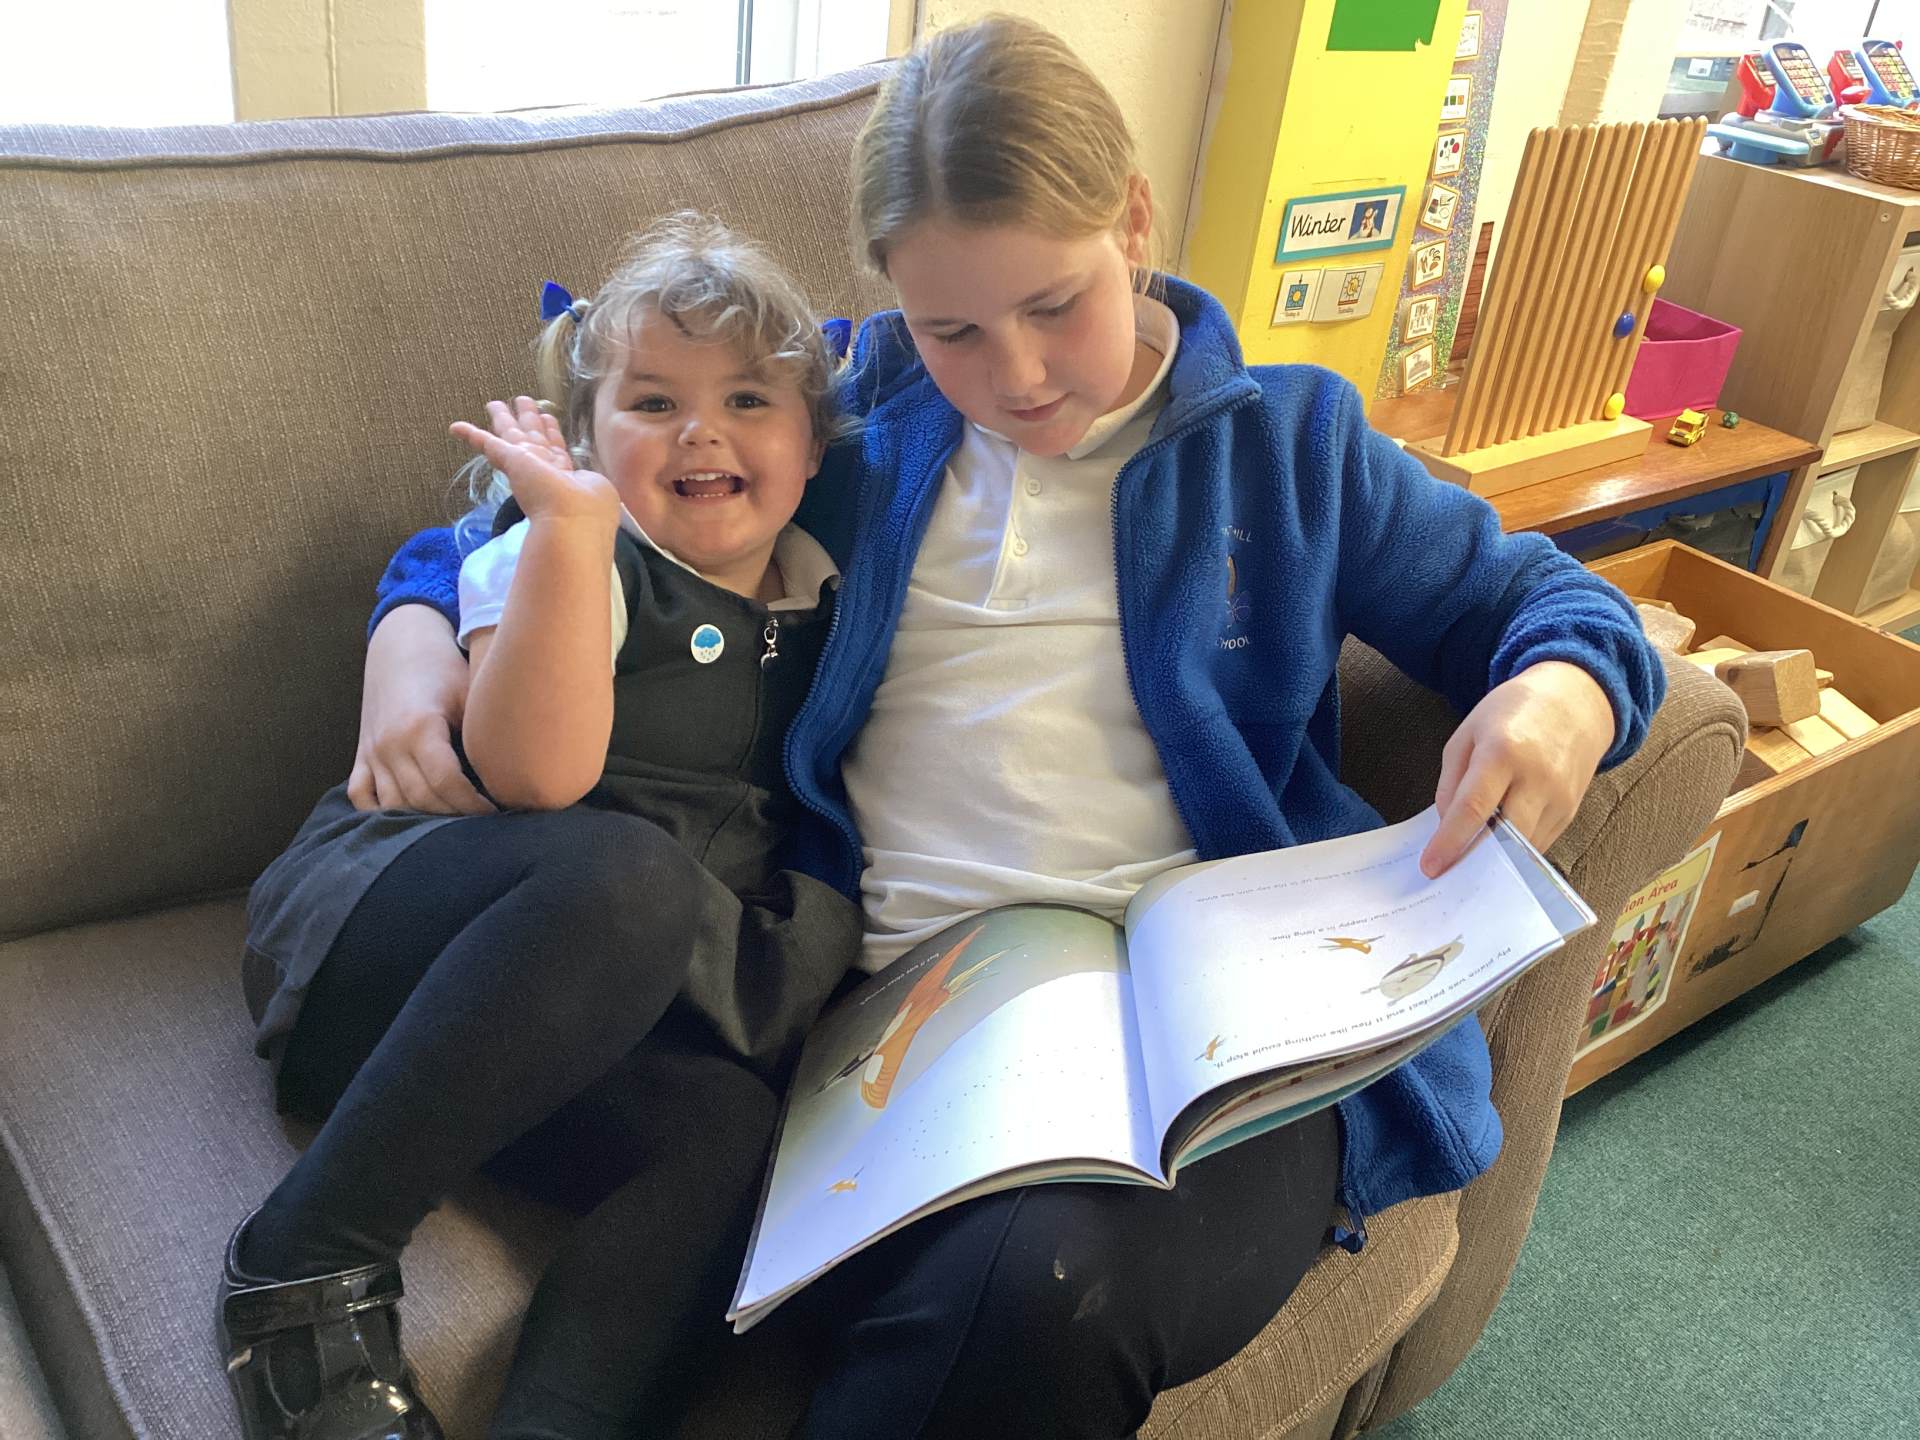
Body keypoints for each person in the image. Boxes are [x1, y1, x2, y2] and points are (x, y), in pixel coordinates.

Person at [352, 17, 1666, 1439]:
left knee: (1043, 1295)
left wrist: (1564, 691)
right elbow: (522, 518)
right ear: (893, 304)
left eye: (1055, 304)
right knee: (987, 1299)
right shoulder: (849, 424)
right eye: (953, 330)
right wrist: (411, 644)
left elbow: (1547, 602)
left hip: (1231, 1019)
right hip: (907, 1008)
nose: (1017, 373)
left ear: (1135, 225)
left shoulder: (1289, 442)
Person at [221, 213, 861, 1440]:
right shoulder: (561, 558)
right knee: (634, 877)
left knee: (733, 1132)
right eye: (653, 402)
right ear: (583, 439)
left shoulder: (834, 591)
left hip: (555, 1032)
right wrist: (569, 536)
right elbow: (533, 772)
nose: (701, 430)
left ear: (816, 440)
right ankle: (303, 1263)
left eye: (746, 399)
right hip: (391, 936)